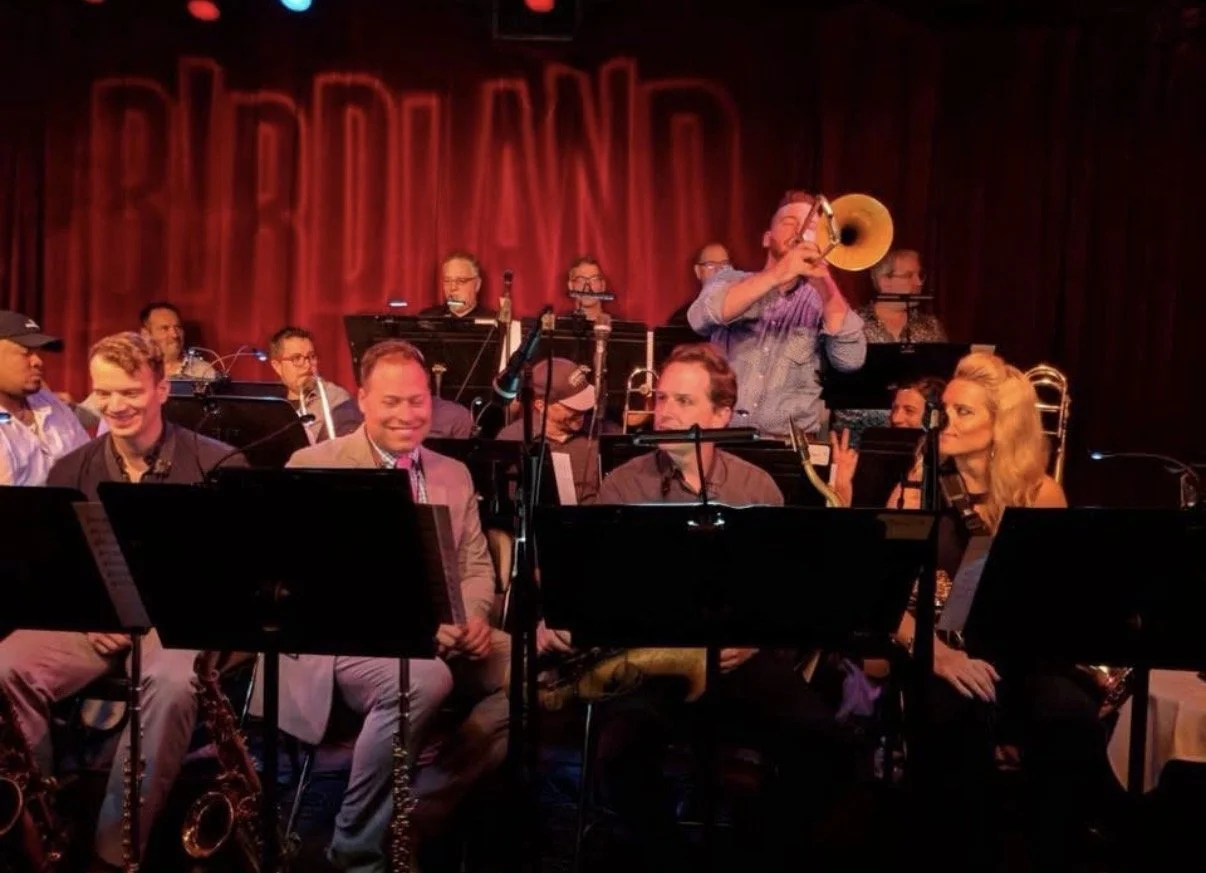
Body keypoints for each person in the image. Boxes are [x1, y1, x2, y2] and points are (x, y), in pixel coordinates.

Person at [545, 343, 858, 871]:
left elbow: (780, 593)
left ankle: (754, 848)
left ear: (720, 415)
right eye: (662, 397)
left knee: (828, 747)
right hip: (651, 663)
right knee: (620, 752)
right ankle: (665, 856)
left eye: (682, 401)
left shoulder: (755, 485)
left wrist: (755, 637)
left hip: (737, 659)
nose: (664, 410)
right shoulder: (625, 484)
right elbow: (597, 589)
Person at [0, 332, 245, 872]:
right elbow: (59, 572)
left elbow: (227, 580)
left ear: (162, 388)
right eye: (104, 393)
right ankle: (37, 833)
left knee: (174, 679)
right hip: (99, 623)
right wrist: (91, 615)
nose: (114, 406)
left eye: (130, 391)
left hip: (180, 622)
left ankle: (113, 853)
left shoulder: (220, 464)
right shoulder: (71, 469)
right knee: (6, 664)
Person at [270, 339, 509, 872]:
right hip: (345, 645)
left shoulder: (453, 473)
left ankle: (425, 800)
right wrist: (426, 626)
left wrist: (472, 617)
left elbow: (475, 568)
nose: (406, 414)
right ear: (362, 400)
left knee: (541, 672)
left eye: (417, 400)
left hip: (447, 636)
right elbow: (310, 586)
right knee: (423, 680)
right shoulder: (313, 464)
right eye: (392, 401)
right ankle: (356, 849)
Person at [889, 352, 1123, 870]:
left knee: (1067, 715)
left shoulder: (1041, 493)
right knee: (956, 718)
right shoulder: (914, 489)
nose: (943, 419)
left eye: (963, 411)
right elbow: (883, 600)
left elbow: (1053, 603)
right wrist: (940, 658)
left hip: (1017, 656)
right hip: (938, 654)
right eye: (944, 407)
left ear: (1003, 426)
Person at [686, 190, 866, 439]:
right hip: (724, 438)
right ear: (767, 238)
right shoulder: (731, 280)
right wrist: (780, 272)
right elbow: (700, 317)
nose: (799, 232)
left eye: (810, 226)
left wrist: (825, 285)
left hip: (790, 445)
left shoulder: (824, 301)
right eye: (789, 223)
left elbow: (850, 359)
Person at [0, 311, 89, 485]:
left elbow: (88, 466)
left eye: (39, 353)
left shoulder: (51, 404)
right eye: (25, 353)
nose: (38, 361)